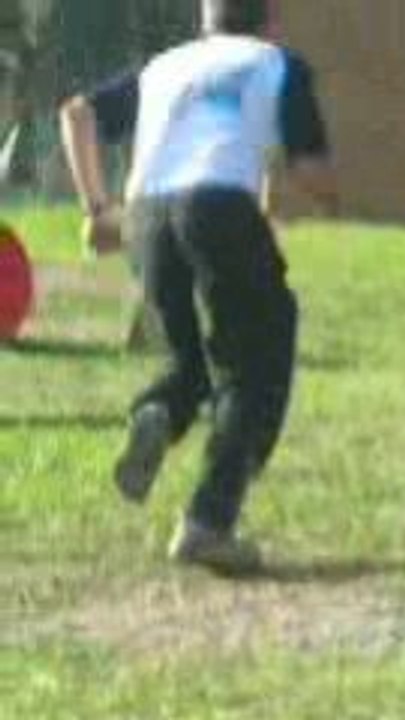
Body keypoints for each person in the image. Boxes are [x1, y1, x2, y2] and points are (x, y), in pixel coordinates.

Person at [59, 0, 336, 573]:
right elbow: (311, 175)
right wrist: (330, 193)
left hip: (146, 216)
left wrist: (97, 208)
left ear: (204, 22)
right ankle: (209, 521)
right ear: (272, 18)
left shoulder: (166, 66)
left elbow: (77, 113)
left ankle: (158, 410)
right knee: (255, 362)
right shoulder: (276, 63)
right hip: (218, 208)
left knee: (191, 362)